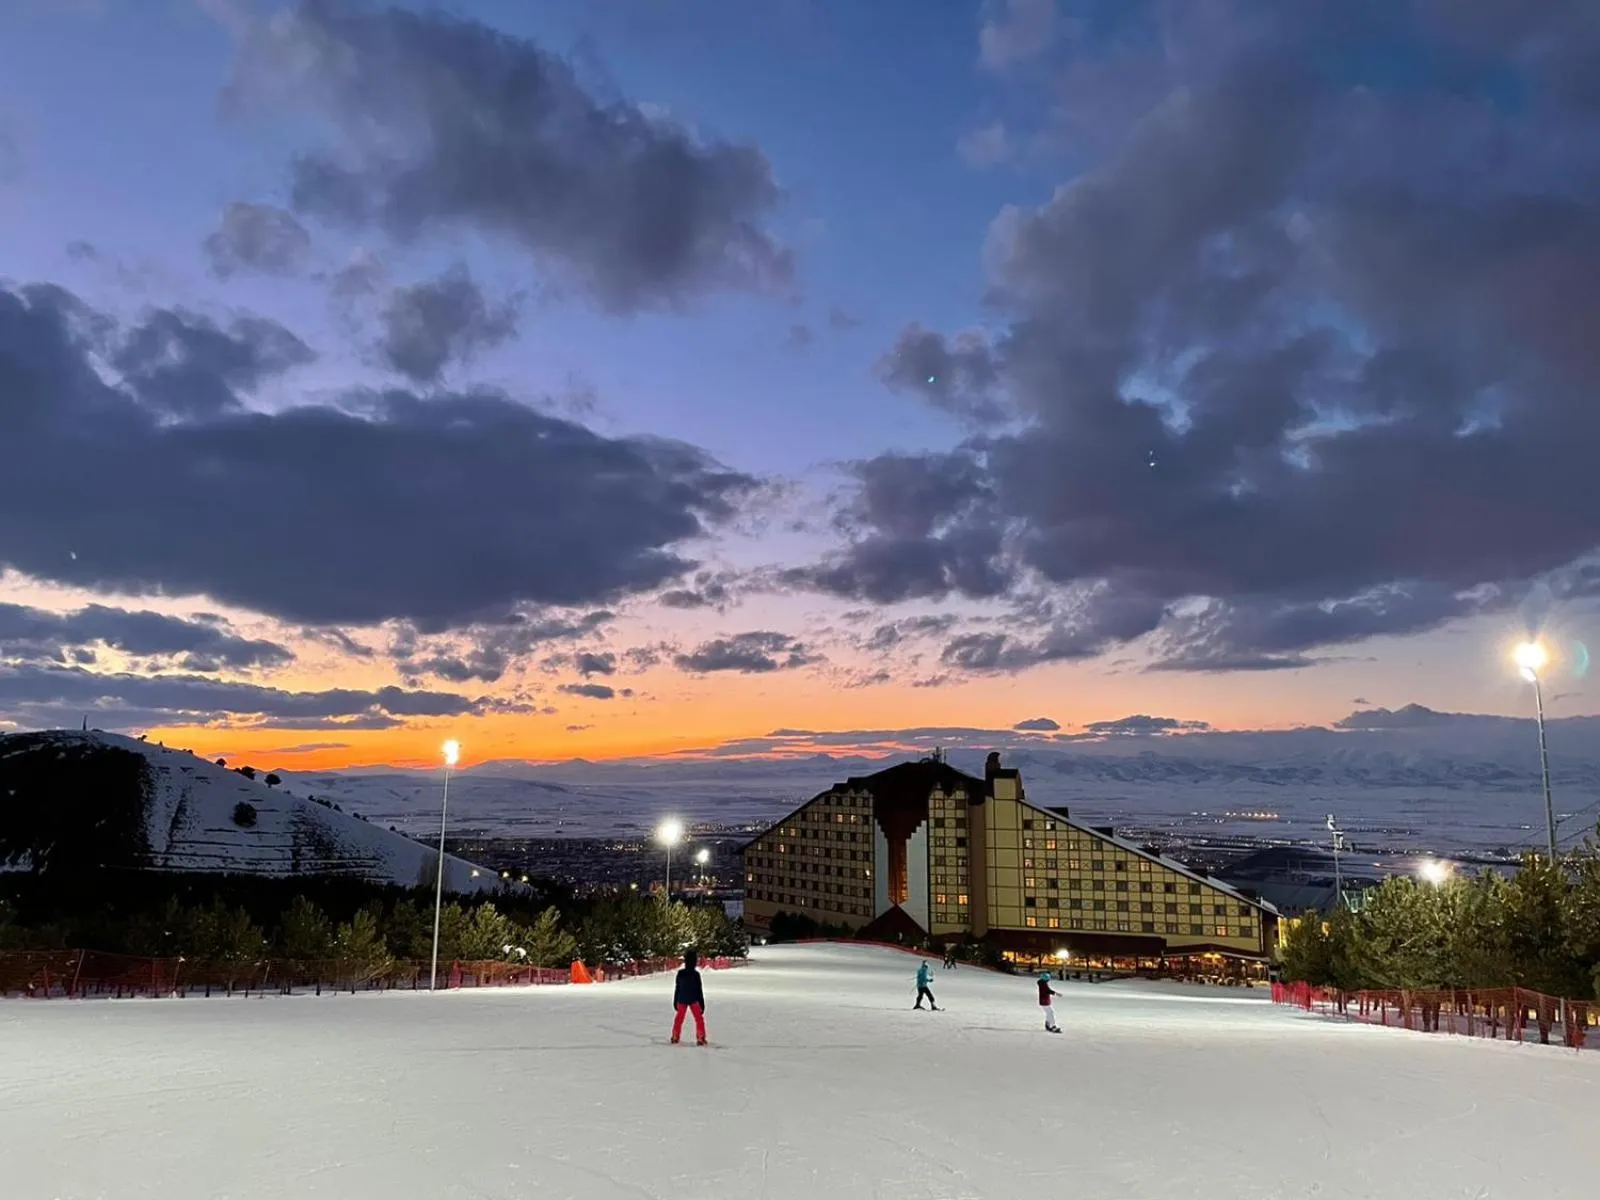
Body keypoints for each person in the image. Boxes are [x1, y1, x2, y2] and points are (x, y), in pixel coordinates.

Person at [671, 947, 708, 1045]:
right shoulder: (696, 975)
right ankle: (701, 1038)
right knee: (699, 1019)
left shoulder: (680, 973)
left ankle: (675, 1036)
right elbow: (699, 990)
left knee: (679, 1019)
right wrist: (702, 1003)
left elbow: (677, 988)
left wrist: (675, 1001)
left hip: (681, 999)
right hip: (694, 999)